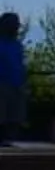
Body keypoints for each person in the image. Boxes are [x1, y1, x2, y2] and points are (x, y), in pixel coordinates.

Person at [0, 13, 22, 142]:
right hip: (2, 84)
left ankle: (10, 141)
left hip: (16, 85)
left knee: (14, 118)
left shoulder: (17, 45)